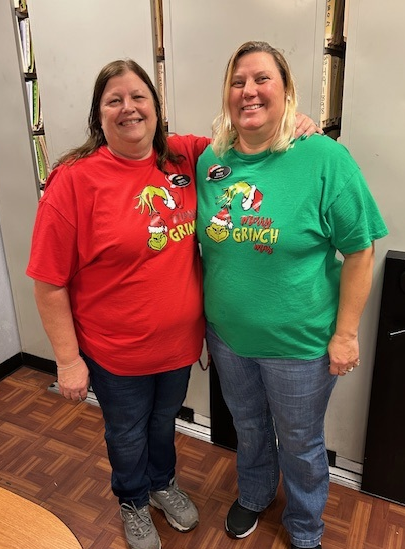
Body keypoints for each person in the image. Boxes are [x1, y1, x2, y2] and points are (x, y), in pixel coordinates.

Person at [26, 58, 320, 549]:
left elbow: (249, 141)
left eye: (138, 97)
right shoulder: (74, 180)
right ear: (98, 115)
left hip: (178, 346)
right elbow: (48, 281)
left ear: (156, 108)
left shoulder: (185, 156)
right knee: (127, 433)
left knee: (163, 426)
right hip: (116, 352)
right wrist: (68, 359)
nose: (129, 108)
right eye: (114, 100)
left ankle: (161, 484)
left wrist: (295, 121)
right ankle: (133, 501)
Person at [196, 41, 388, 549]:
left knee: (301, 442)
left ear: (286, 91)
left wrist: (346, 335)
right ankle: (256, 494)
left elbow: (360, 250)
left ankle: (305, 527)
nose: (249, 91)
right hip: (228, 338)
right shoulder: (211, 160)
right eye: (238, 81)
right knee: (248, 426)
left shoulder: (323, 158)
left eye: (262, 79)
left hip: (300, 345)